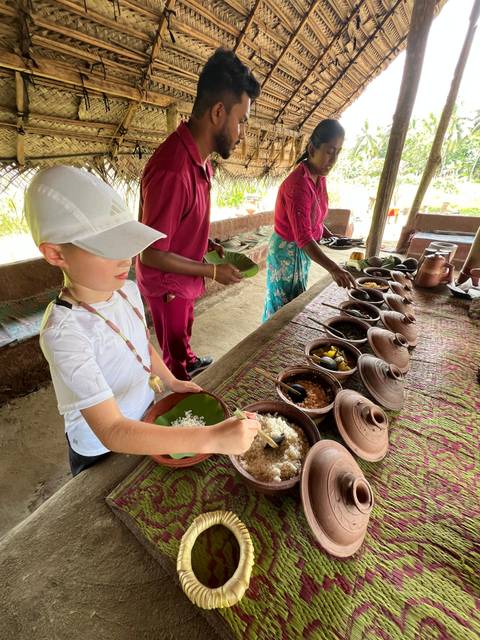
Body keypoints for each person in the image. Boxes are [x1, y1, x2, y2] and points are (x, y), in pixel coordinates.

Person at [25, 166, 260, 476]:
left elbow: (141, 345)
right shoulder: (64, 332)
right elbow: (111, 430)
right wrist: (213, 438)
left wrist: (172, 381)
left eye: (125, 242)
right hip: (100, 450)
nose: (126, 258)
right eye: (107, 248)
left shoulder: (126, 289)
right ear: (56, 254)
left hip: (146, 418)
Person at [137, 48, 260, 380]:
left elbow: (181, 219)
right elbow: (151, 254)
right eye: (242, 121)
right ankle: (181, 386)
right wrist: (211, 270)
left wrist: (205, 243)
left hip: (184, 276)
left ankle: (188, 358)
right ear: (219, 112)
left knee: (183, 336)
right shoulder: (172, 170)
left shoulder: (200, 160)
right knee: (174, 359)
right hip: (167, 284)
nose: (242, 133)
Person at [262, 119, 356, 322]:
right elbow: (303, 236)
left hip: (301, 251)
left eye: (338, 152)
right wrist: (333, 268)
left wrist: (329, 235)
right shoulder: (298, 185)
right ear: (313, 149)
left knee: (295, 300)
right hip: (287, 253)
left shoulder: (319, 177)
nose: (333, 159)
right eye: (330, 151)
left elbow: (312, 219)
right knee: (283, 308)